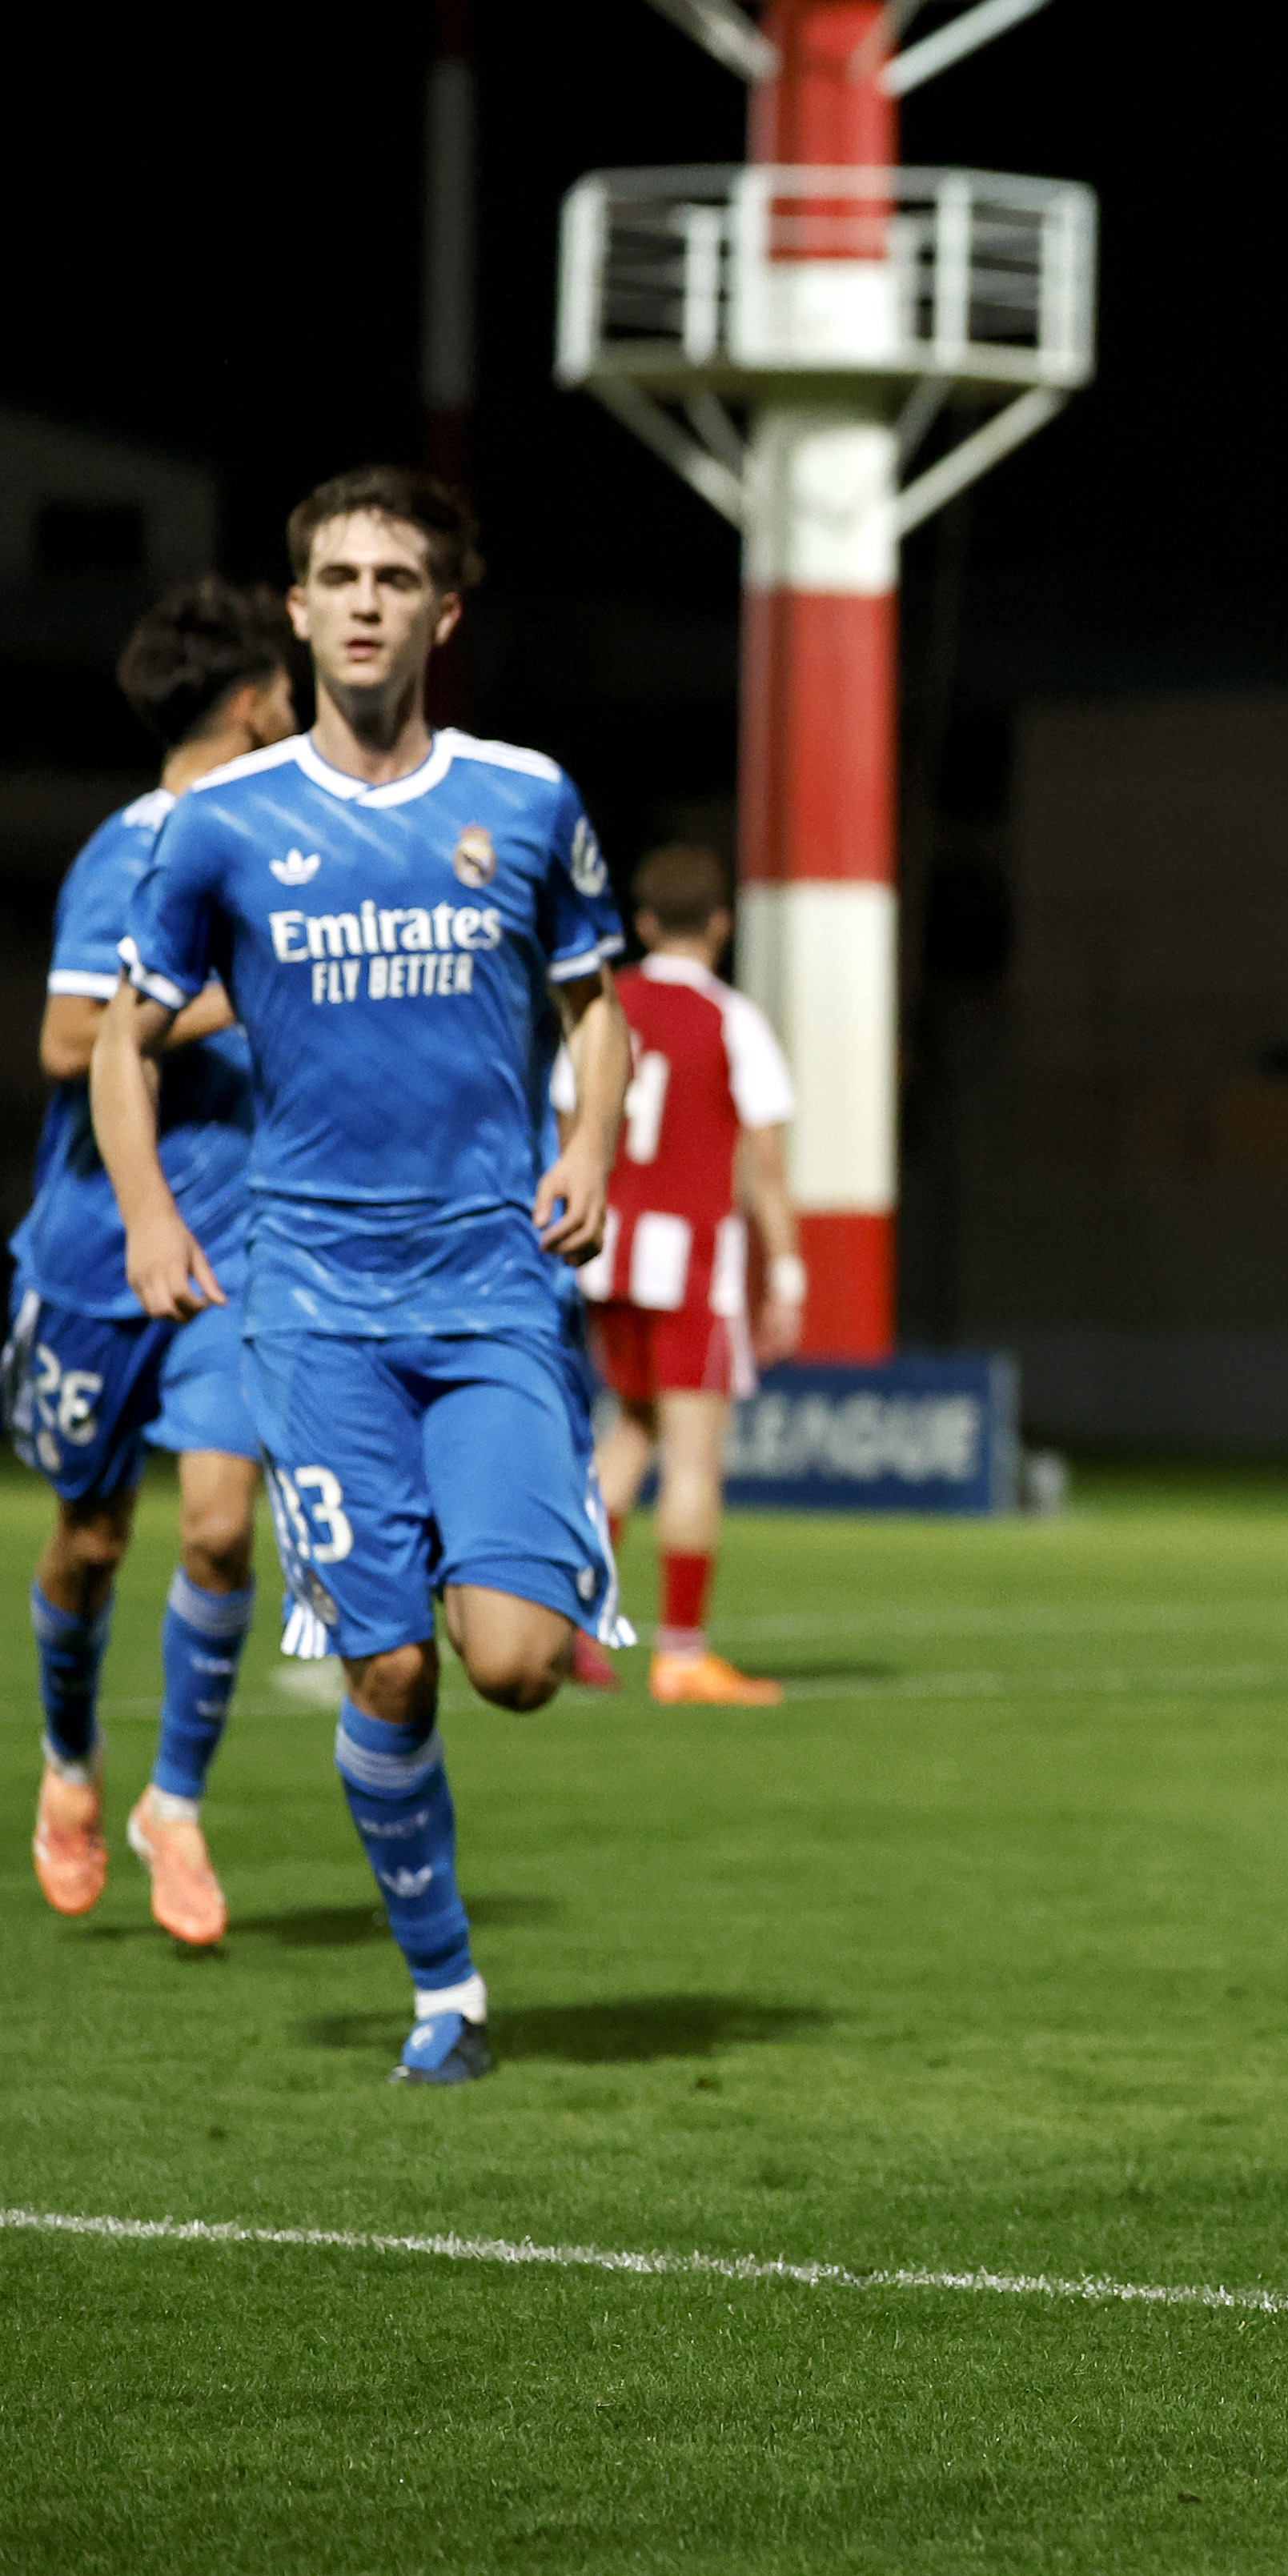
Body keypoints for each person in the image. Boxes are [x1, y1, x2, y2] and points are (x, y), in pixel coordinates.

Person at [98, 467, 633, 2084]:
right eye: (336, 575)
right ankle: (447, 1988)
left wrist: (590, 1147)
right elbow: (122, 1041)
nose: (362, 601)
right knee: (388, 1661)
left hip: (486, 1287)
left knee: (519, 1668)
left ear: (441, 612)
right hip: (314, 1301)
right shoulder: (222, 823)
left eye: (396, 577)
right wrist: (145, 1214)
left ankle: (541, 1540)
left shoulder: (527, 798)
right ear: (299, 608)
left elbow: (596, 1003)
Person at [15, 579, 291, 1943]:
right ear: (252, 702)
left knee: (223, 1524)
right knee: (91, 1538)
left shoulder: (284, 840)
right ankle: (71, 1764)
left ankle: (173, 1806)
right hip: (93, 1255)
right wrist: (232, 998)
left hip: (239, 1251)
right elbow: (71, 1043)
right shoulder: (136, 845)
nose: (298, 710)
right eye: (285, 691)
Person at [576, 843, 804, 1705]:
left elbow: (570, 1123)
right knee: (696, 1453)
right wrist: (787, 1276)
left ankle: (569, 1621)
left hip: (610, 1254)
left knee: (629, 1432)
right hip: (691, 1261)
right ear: (720, 925)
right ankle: (680, 1651)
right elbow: (766, 1164)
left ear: (641, 923)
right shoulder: (731, 1020)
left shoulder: (605, 1006)